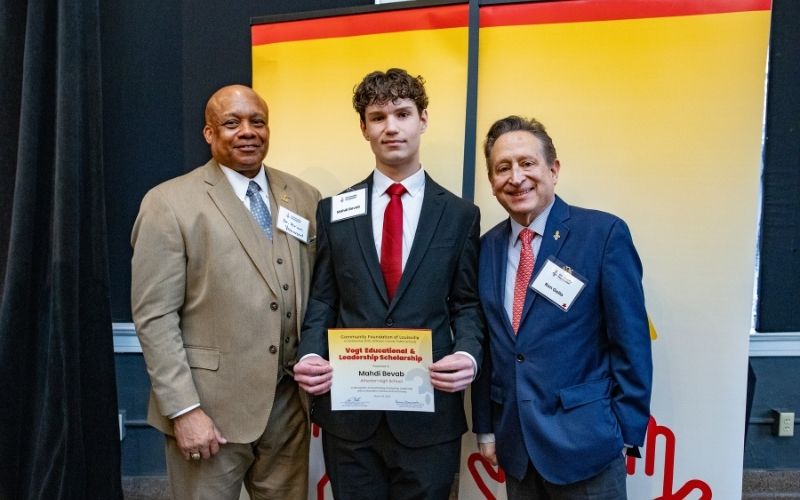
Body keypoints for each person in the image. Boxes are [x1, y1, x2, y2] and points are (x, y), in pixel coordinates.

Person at [292, 68, 484, 500]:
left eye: (402, 113)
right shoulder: (334, 210)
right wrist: (310, 352)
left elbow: (467, 303)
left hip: (429, 414)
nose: (391, 127)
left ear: (423, 120)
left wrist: (468, 354)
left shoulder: (459, 215)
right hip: (350, 418)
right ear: (364, 128)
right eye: (378, 117)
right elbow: (323, 298)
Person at [131, 84, 321, 499]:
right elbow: (154, 317)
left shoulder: (305, 198)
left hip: (289, 410)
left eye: (258, 122)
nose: (247, 131)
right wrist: (184, 410)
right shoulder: (169, 203)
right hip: (209, 412)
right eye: (232, 123)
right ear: (209, 133)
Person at [472, 115, 652, 499]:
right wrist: (486, 427)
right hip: (517, 447)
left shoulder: (602, 235)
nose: (516, 177)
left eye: (527, 163)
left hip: (588, 447)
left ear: (553, 170)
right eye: (503, 168)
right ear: (491, 182)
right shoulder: (485, 249)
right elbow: (487, 346)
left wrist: (623, 433)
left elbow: (631, 342)